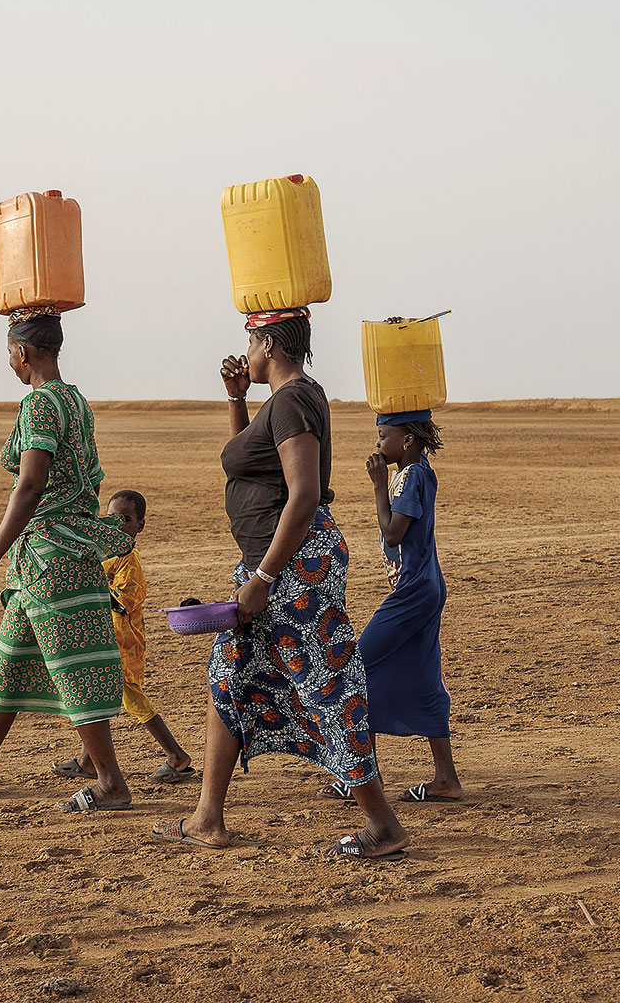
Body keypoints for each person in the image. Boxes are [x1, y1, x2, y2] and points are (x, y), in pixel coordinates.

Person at [147, 309, 410, 861]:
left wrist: (264, 578)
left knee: (325, 687)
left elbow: (304, 494)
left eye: (250, 338)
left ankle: (383, 825)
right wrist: (236, 397)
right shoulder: (285, 400)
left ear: (268, 341)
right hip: (271, 566)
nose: (244, 348)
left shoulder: (292, 401)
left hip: (292, 570)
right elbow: (250, 465)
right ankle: (207, 817)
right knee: (230, 676)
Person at [0, 308, 136, 813]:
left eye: (9, 354)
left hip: (51, 558)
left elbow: (30, 486)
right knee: (10, 660)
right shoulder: (75, 400)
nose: (10, 363)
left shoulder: (41, 404)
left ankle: (111, 783)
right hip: (50, 559)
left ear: (22, 351)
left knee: (73, 670)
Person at [54, 489, 197, 785]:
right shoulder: (108, 555)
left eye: (127, 519)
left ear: (140, 526)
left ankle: (177, 756)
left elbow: (121, 601)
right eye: (113, 518)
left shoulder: (129, 562)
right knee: (100, 696)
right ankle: (86, 761)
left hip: (123, 644)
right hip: (107, 639)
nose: (118, 524)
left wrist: (90, 585)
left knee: (130, 699)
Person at [356, 411, 463, 802]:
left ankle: (366, 778)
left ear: (407, 441)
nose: (378, 444)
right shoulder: (418, 470)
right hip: (426, 585)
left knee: (353, 670)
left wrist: (378, 485)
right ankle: (446, 780)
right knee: (424, 679)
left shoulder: (411, 476)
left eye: (384, 436)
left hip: (413, 591)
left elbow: (392, 530)